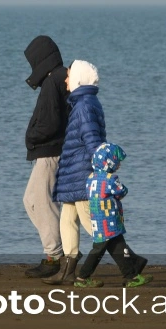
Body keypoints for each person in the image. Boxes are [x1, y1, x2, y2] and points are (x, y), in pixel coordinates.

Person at [43, 60, 104, 285]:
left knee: (95, 226)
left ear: (78, 79)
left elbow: (92, 141)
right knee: (67, 220)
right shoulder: (81, 103)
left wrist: (98, 168)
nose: (65, 80)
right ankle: (67, 270)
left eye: (69, 76)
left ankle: (129, 264)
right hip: (73, 174)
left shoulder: (85, 105)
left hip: (81, 174)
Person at [22, 36, 70, 278]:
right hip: (51, 151)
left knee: (42, 202)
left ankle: (56, 256)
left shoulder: (54, 81)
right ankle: (57, 252)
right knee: (31, 200)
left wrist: (30, 137)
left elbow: (51, 123)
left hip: (51, 151)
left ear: (41, 58)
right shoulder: (58, 78)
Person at [72, 142, 150, 288]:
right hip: (109, 220)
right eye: (117, 162)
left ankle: (132, 275)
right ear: (109, 162)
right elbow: (122, 191)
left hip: (97, 219)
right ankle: (82, 277)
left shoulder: (90, 178)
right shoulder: (111, 179)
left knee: (119, 247)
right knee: (98, 250)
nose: (119, 165)